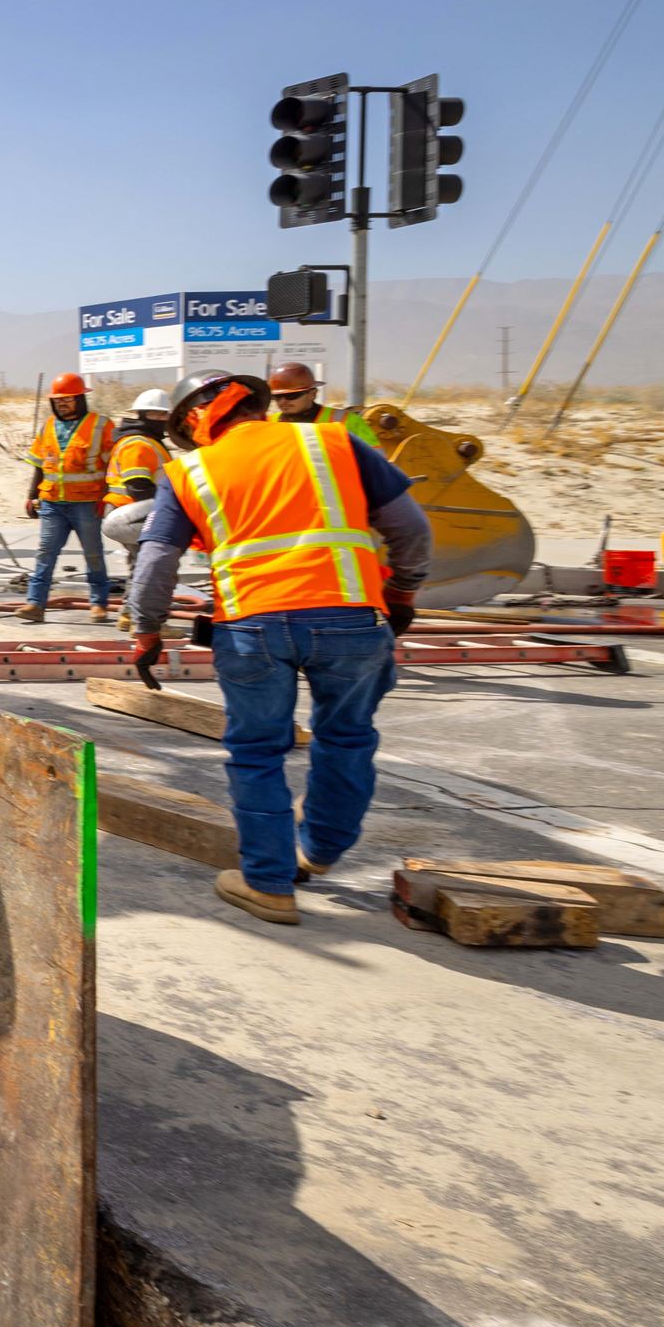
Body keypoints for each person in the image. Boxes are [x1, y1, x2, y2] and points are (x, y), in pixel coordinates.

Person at [127, 371, 433, 926]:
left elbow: (154, 565)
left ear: (193, 424)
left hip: (252, 627)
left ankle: (268, 884)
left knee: (257, 752)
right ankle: (317, 849)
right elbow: (412, 528)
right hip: (351, 617)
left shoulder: (190, 471)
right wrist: (402, 591)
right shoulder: (333, 442)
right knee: (347, 737)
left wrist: (146, 630)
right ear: (257, 405)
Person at [20, 371, 116, 621]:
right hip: (53, 503)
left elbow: (114, 465)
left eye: (69, 398)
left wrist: (110, 498)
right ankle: (35, 604)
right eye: (58, 399)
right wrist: (32, 496)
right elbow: (39, 465)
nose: (62, 403)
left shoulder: (101, 425)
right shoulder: (48, 426)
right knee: (45, 552)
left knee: (93, 553)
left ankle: (99, 603)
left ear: (80, 399)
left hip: (87, 503)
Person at [100, 387, 175, 611]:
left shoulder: (145, 441)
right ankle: (140, 617)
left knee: (139, 565)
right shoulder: (138, 444)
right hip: (130, 514)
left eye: (164, 415)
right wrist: (168, 509)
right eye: (156, 415)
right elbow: (138, 486)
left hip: (128, 513)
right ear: (142, 415)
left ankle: (129, 614)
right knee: (149, 567)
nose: (162, 419)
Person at [265, 360, 373, 445]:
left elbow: (376, 463)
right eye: (277, 397)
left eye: (291, 396)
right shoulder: (267, 423)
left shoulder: (347, 422)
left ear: (313, 394)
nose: (283, 401)